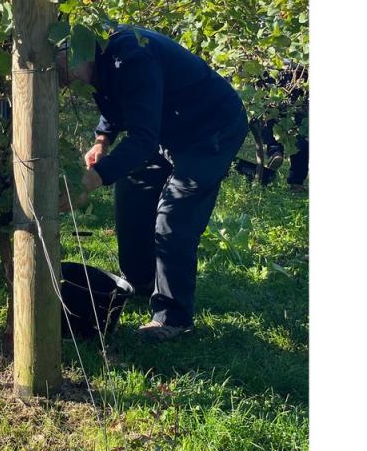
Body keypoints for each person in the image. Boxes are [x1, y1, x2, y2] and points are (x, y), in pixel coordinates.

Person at [57, 26, 248, 342]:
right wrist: (102, 140)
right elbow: (119, 99)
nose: (60, 80)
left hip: (210, 130)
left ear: (75, 49)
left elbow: (142, 138)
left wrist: (90, 180)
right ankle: (141, 282)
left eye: (59, 67)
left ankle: (173, 317)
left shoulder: (133, 57)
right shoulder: (98, 59)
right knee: (133, 197)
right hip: (165, 129)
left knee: (173, 217)